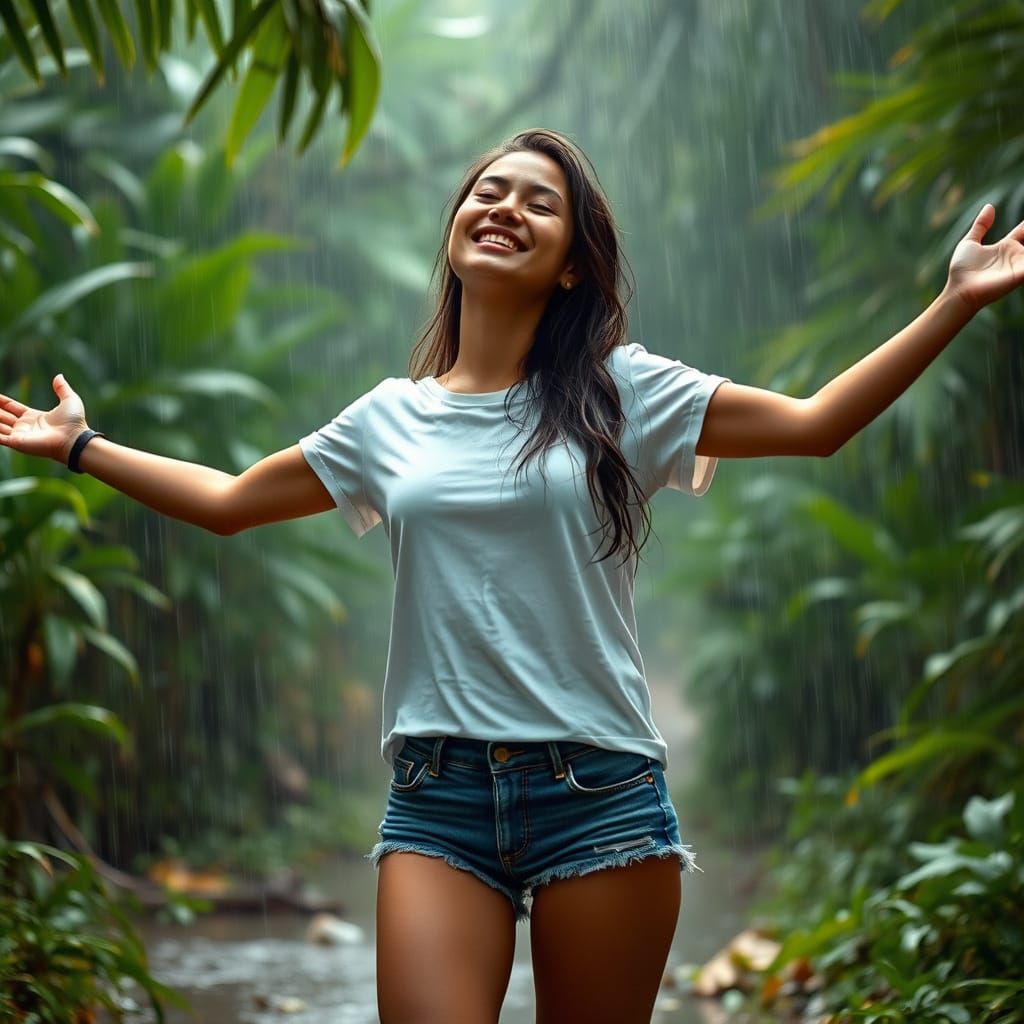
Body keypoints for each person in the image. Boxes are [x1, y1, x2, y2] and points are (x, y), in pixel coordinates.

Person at [0, 127, 1021, 1024]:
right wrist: (84, 444)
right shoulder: (387, 419)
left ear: (572, 264)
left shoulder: (626, 391)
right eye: (489, 189)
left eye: (540, 201)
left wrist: (952, 302)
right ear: (455, 227)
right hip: (436, 797)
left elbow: (816, 425)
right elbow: (227, 503)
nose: (504, 206)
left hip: (600, 792)